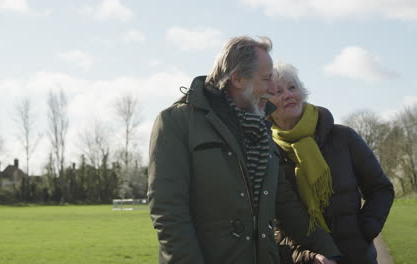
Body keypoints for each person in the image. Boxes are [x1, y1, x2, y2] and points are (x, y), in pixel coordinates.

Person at [147, 36, 341, 264]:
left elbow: (285, 203)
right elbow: (169, 213)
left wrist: (330, 252)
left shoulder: (262, 128)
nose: (272, 89)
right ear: (238, 78)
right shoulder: (176, 122)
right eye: (267, 79)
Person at [269, 62, 395, 264]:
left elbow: (381, 188)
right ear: (264, 104)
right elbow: (275, 222)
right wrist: (306, 257)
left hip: (357, 256)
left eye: (292, 88)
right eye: (277, 91)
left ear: (302, 92)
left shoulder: (343, 137)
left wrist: (364, 232)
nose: (288, 95)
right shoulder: (268, 152)